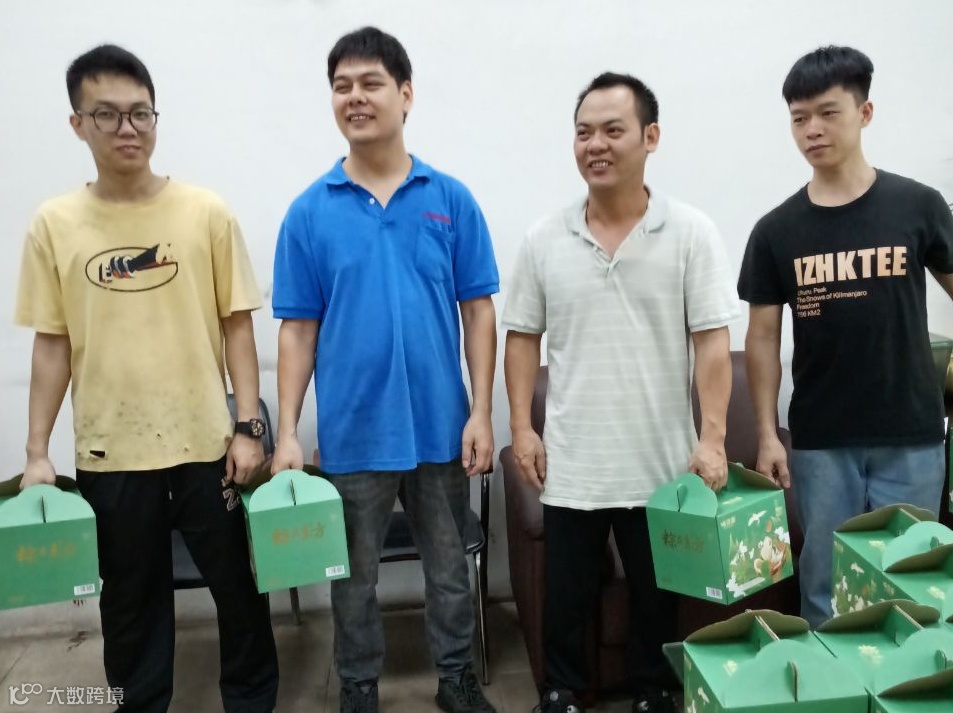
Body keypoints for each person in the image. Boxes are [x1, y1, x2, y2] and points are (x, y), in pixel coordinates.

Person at [14, 44, 279, 713]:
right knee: (131, 602)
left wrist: (248, 427)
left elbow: (237, 326)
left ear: (156, 118)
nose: (127, 128)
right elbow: (53, 344)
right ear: (78, 124)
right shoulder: (54, 224)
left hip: (207, 445)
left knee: (238, 589)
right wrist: (38, 451)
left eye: (140, 113)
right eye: (107, 114)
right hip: (112, 452)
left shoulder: (205, 212)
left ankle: (251, 700)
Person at [270, 26, 499, 713]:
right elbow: (297, 331)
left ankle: (456, 678)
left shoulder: (449, 198)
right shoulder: (310, 211)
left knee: (449, 569)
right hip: (353, 431)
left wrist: (481, 412)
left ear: (405, 94)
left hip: (440, 427)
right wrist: (288, 431)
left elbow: (478, 311)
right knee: (352, 577)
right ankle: (358, 685)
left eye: (370, 83)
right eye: (341, 86)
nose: (355, 97)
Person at [503, 72, 739, 713]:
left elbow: (712, 342)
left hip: (662, 463)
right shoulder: (544, 238)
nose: (596, 145)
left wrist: (712, 439)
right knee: (566, 595)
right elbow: (521, 338)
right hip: (573, 461)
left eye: (613, 130)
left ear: (650, 137)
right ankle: (560, 690)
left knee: (657, 594)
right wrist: (522, 427)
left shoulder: (690, 232)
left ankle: (654, 689)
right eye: (584, 132)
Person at [738, 45, 953, 627]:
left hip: (910, 432)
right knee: (825, 585)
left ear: (865, 112)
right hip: (822, 440)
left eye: (828, 113)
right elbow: (763, 339)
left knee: (912, 584)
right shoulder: (776, 230)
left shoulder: (918, 206)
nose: (812, 129)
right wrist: (767, 434)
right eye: (799, 118)